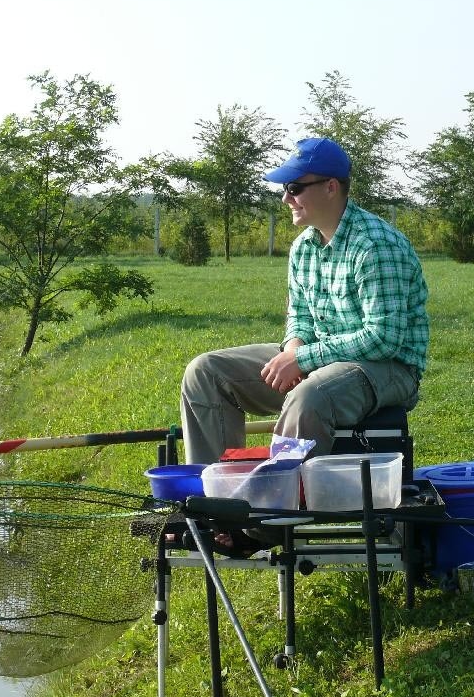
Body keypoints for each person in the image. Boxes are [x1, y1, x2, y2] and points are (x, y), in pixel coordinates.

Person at [180, 137, 429, 466]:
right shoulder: (303, 247)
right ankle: (215, 496)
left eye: (295, 187)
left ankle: (276, 505)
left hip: (388, 369)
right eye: (285, 188)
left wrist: (303, 359)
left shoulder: (375, 245)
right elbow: (299, 314)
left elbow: (383, 338)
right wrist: (293, 350)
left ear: (330, 187)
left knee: (308, 397)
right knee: (206, 373)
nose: (286, 198)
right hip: (322, 358)